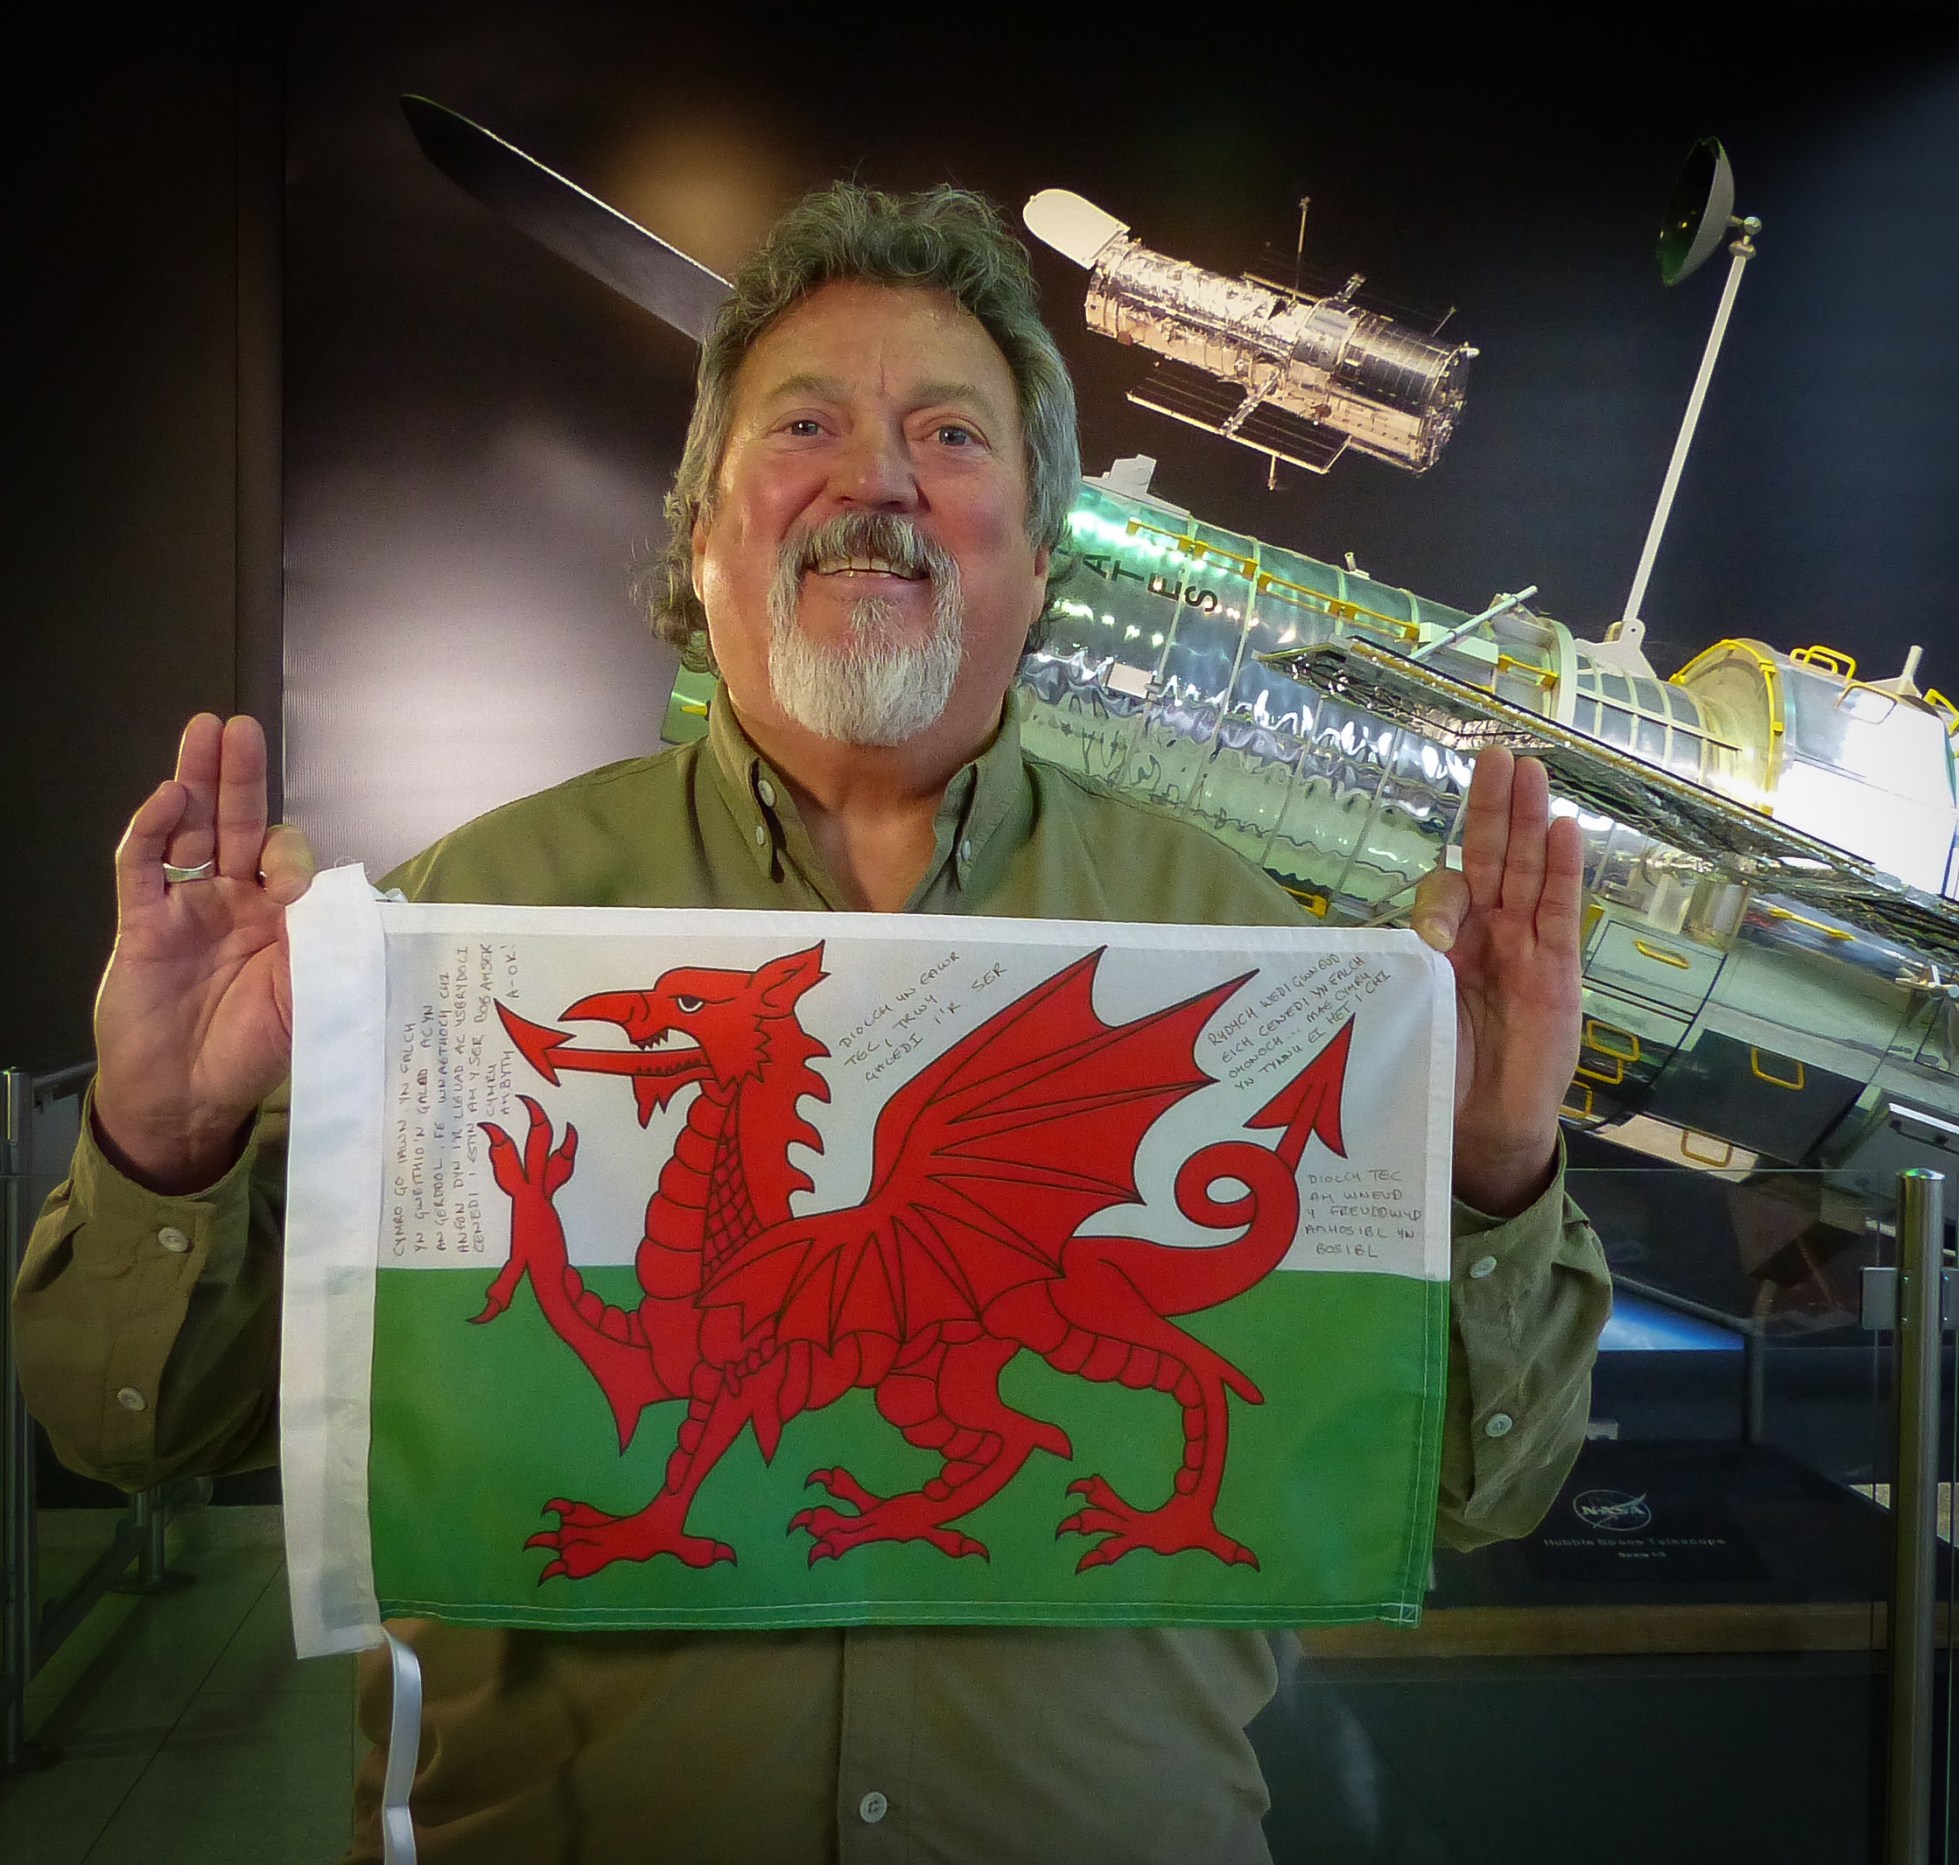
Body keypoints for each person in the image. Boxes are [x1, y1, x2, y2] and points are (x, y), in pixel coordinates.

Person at [15, 185, 1609, 1863]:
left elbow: (1478, 1494)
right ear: (703, 530)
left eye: (948, 434)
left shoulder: (1229, 951)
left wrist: (1497, 1164)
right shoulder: (463, 932)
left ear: (1043, 553)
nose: (880, 480)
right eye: (806, 425)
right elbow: (125, 1428)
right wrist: (166, 1139)